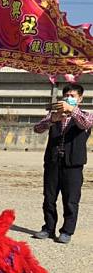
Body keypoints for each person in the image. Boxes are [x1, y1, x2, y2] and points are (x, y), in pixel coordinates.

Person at [33, 84, 93, 244]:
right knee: (49, 197)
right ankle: (48, 227)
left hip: (73, 164)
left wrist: (72, 110)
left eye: (73, 96)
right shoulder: (54, 115)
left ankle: (67, 231)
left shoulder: (86, 115)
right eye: (66, 95)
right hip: (53, 162)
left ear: (80, 98)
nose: (68, 98)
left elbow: (86, 124)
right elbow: (37, 129)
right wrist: (52, 120)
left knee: (71, 200)